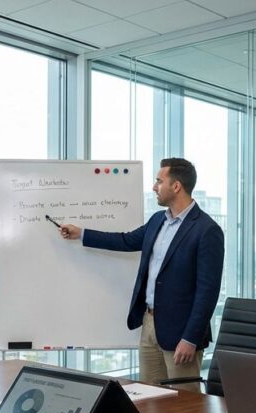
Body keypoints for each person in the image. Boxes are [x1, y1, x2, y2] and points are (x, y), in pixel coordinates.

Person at [59, 158, 224, 389]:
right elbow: (125, 240)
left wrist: (190, 338)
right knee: (149, 398)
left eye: (159, 181)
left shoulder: (207, 230)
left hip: (181, 333)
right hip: (149, 324)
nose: (155, 186)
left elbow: (208, 292)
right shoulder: (158, 220)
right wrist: (82, 233)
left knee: (184, 407)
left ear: (176, 186)